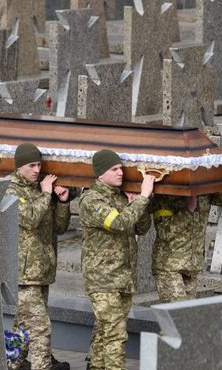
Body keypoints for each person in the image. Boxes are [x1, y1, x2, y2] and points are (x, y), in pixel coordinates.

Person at [79, 149, 155, 370]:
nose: (120, 173)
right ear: (100, 174)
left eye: (121, 168)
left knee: (105, 332)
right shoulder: (92, 200)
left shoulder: (121, 196)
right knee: (115, 335)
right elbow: (119, 223)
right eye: (114, 169)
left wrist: (139, 203)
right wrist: (142, 198)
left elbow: (142, 227)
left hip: (123, 278)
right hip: (103, 279)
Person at [6, 143, 72, 370]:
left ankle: (11, 363)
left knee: (23, 324)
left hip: (42, 268)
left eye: (39, 165)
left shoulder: (40, 188)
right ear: (19, 167)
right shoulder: (10, 190)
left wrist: (62, 201)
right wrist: (46, 194)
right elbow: (29, 219)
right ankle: (43, 366)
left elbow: (60, 228)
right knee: (40, 326)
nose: (37, 169)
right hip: (23, 272)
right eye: (31, 165)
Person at [150, 185, 222, 303]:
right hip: (169, 266)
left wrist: (219, 178)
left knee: (186, 318)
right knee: (179, 315)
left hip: (192, 265)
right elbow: (165, 233)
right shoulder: (166, 193)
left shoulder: (204, 192)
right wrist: (188, 210)